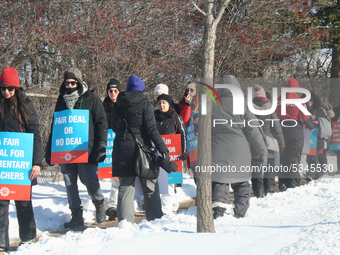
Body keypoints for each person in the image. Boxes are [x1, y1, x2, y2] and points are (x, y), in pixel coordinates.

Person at [45, 67, 108, 228]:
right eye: (67, 83)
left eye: (73, 83)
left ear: (79, 83)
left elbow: (101, 123)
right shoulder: (61, 101)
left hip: (86, 147)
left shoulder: (91, 99)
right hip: (65, 148)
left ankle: (99, 202)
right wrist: (50, 149)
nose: (70, 86)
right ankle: (76, 214)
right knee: (69, 181)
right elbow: (56, 126)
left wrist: (101, 145)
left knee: (88, 179)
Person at [111, 75, 170, 223]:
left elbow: (112, 125)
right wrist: (163, 149)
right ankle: (155, 220)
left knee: (125, 187)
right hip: (143, 149)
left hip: (121, 148)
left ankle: (125, 223)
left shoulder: (118, 104)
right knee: (150, 185)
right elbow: (152, 129)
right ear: (141, 89)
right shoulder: (145, 104)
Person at [211, 75, 268, 219]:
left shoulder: (212, 105)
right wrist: (263, 151)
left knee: (220, 181)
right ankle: (240, 211)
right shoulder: (243, 105)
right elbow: (253, 131)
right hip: (240, 150)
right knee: (242, 183)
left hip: (218, 150)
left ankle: (218, 209)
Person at [0, 67, 42, 252]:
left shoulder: (26, 105)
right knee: (1, 204)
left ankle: (28, 238)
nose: (6, 92)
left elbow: (36, 135)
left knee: (23, 203)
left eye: (10, 88)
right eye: (3, 88)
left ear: (16, 88)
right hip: (3, 163)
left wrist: (37, 163)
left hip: (22, 163)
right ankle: (1, 244)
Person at [276, 79, 314, 191]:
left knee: (283, 159)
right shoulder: (298, 100)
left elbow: (274, 113)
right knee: (293, 159)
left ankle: (282, 183)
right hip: (295, 132)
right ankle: (293, 185)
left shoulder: (279, 99)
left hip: (282, 132)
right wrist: (312, 127)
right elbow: (305, 117)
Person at [154, 94, 187, 214]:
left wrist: (183, 151)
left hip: (173, 153)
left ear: (169, 104)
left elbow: (183, 134)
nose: (162, 105)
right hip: (158, 152)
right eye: (159, 103)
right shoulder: (153, 117)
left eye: (164, 103)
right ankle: (171, 205)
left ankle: (166, 210)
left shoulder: (175, 117)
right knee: (162, 181)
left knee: (169, 181)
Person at [250, 85, 285, 197]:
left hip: (254, 142)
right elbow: (276, 127)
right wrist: (281, 142)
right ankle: (269, 191)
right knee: (269, 167)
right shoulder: (270, 107)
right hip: (268, 141)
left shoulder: (249, 108)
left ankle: (258, 193)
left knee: (256, 169)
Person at [103, 78, 121, 221]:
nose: (113, 93)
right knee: (114, 177)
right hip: (109, 145)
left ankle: (121, 205)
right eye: (111, 91)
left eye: (116, 91)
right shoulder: (104, 106)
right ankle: (113, 207)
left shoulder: (124, 105)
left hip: (122, 143)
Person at [305, 93, 331, 182]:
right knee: (310, 157)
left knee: (314, 156)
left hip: (317, 137)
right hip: (307, 136)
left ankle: (310, 175)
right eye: (307, 100)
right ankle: (319, 175)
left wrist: (316, 123)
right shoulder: (304, 109)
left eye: (311, 100)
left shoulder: (319, 110)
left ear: (315, 100)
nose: (309, 102)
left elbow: (326, 122)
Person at [179, 82, 199, 170]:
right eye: (187, 90)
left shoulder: (204, 103)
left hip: (202, 145)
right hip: (191, 144)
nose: (189, 92)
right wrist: (187, 105)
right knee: (196, 175)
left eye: (192, 90)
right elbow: (184, 122)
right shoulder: (183, 105)